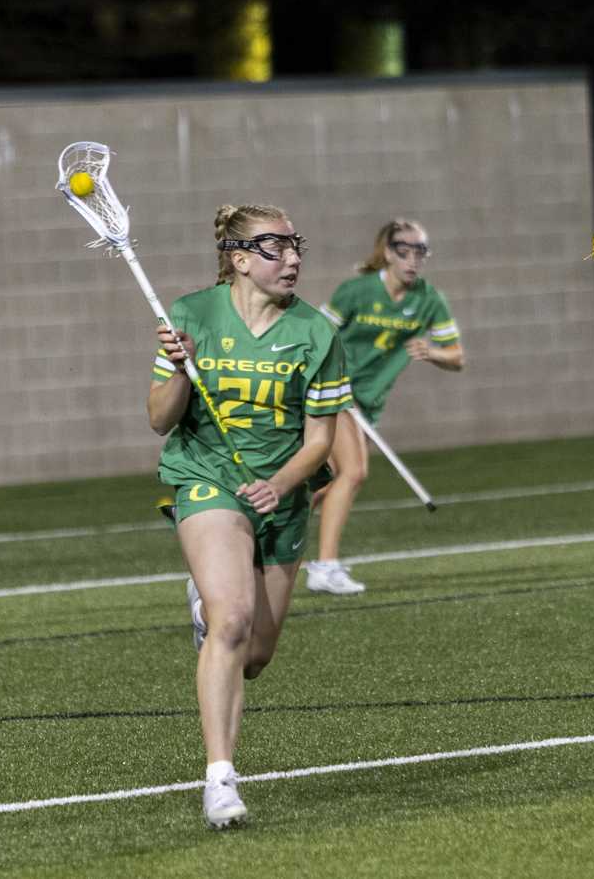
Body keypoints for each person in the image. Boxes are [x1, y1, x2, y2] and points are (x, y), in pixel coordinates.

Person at [148, 203, 351, 828]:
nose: (292, 259)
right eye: (275, 247)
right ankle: (220, 780)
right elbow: (160, 418)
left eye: (297, 246)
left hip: (281, 498)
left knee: (255, 654)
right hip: (207, 481)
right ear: (238, 259)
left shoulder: (317, 333)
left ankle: (210, 613)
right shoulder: (188, 315)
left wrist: (284, 482)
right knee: (232, 620)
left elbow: (321, 441)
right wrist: (180, 368)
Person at [305, 218, 465, 595]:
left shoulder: (428, 300)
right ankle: (324, 567)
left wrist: (433, 352)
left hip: (369, 403)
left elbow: (457, 358)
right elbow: (313, 337)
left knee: (321, 484)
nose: (412, 260)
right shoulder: (356, 291)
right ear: (387, 253)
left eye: (420, 252)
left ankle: (259, 532)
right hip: (334, 392)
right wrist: (330, 375)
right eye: (403, 251)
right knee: (355, 472)